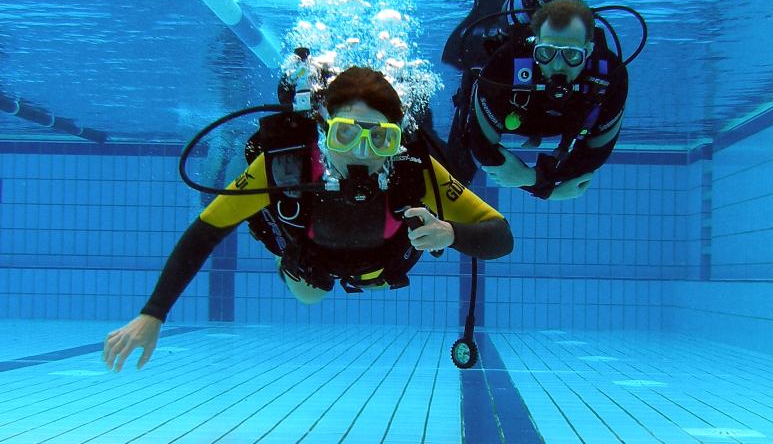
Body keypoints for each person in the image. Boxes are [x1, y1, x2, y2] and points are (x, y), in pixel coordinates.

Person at [103, 66, 514, 372]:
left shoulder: (414, 171)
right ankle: (282, 259)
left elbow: (501, 236)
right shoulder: (284, 165)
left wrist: (451, 233)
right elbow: (206, 231)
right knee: (310, 294)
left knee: (371, 283)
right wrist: (153, 313)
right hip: (310, 265)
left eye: (381, 138)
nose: (362, 152)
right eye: (345, 134)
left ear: (397, 139)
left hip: (382, 267)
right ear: (323, 128)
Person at [442, 0, 628, 200]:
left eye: (572, 55)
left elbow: (594, 156)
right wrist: (546, 189)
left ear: (588, 50)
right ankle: (489, 3)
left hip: (535, 117)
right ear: (534, 45)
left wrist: (531, 178)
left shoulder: (609, 75)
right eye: (546, 53)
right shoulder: (505, 64)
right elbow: (480, 144)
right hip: (509, 98)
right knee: (458, 167)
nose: (558, 66)